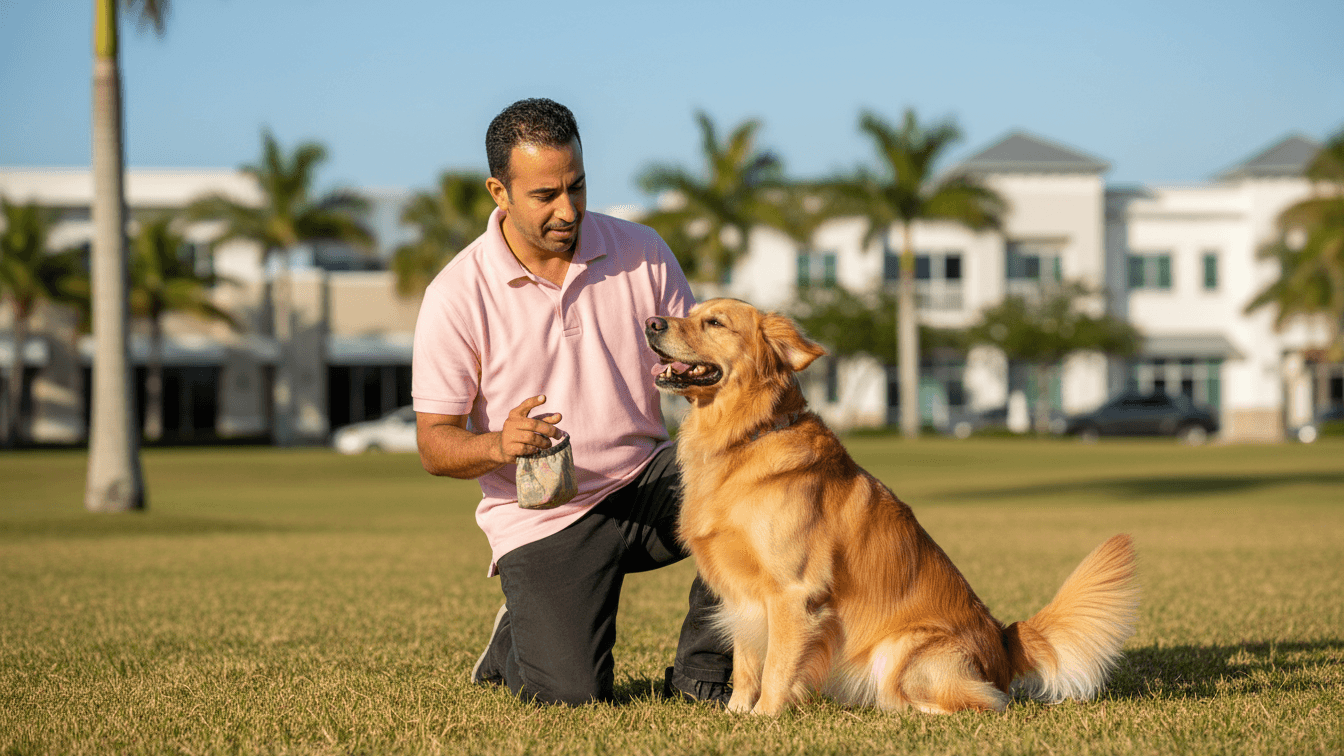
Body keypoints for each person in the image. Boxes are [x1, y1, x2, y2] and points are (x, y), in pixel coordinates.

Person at [412, 98, 731, 706]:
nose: (568, 209)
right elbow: (433, 443)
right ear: (498, 192)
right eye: (545, 196)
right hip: (544, 514)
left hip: (646, 479)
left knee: (758, 490)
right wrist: (496, 445)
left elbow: (700, 374)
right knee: (572, 700)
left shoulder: (642, 250)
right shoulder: (455, 294)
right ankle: (519, 634)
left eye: (577, 186)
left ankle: (703, 676)